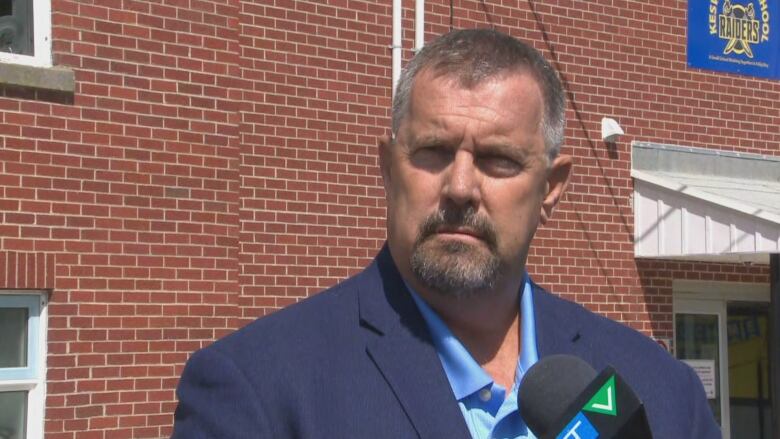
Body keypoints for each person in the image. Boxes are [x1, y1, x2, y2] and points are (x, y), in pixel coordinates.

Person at [172, 29, 720, 438]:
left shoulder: (660, 393)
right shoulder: (256, 391)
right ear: (389, 168)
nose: (460, 186)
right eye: (433, 152)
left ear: (551, 188)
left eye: (498, 159)